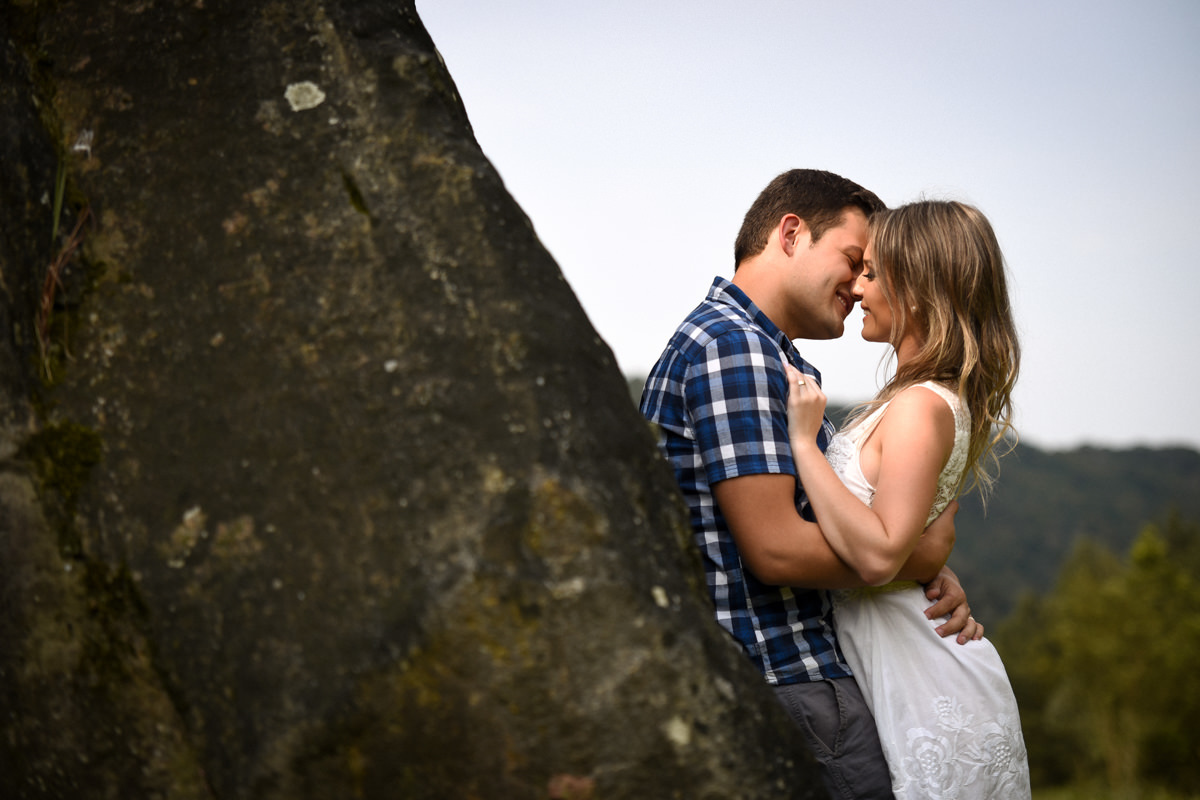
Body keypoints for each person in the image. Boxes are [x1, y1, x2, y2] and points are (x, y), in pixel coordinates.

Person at [639, 170, 982, 800]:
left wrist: (915, 556)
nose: (858, 287)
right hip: (785, 678)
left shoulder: (775, 359)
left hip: (802, 679)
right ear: (791, 234)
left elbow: (846, 518)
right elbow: (776, 549)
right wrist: (912, 555)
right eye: (854, 262)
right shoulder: (733, 348)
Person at [785, 199, 1031, 798]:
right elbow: (925, 537)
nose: (858, 287)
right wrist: (928, 561)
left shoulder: (921, 407)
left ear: (918, 289)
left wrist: (803, 444)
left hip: (922, 679)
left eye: (870, 273)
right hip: (898, 662)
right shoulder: (925, 400)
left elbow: (878, 556)